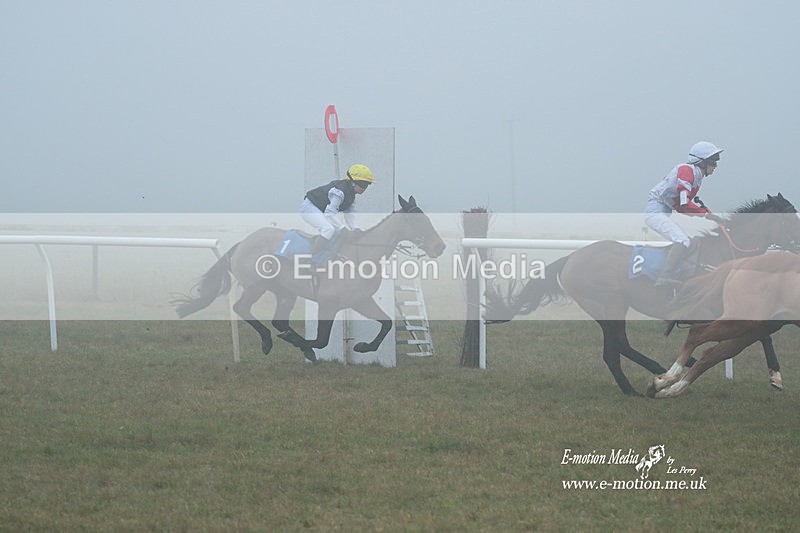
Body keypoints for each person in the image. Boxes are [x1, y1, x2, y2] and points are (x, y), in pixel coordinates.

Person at [645, 141, 724, 286]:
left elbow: (682, 207)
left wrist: (705, 213)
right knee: (682, 241)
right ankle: (664, 277)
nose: (716, 166)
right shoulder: (687, 171)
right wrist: (706, 214)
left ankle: (677, 272)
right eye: (713, 162)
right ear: (702, 162)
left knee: (689, 241)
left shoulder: (697, 178)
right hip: (655, 212)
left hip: (663, 211)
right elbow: (684, 205)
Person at [300, 163, 375, 265]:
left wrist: (356, 229)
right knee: (328, 229)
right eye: (362, 184)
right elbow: (329, 214)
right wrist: (343, 228)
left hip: (320, 210)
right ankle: (307, 259)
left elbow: (350, 216)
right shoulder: (339, 192)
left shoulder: (352, 195)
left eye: (367, 185)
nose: (364, 188)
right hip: (309, 207)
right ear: (352, 182)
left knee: (335, 231)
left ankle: (326, 258)